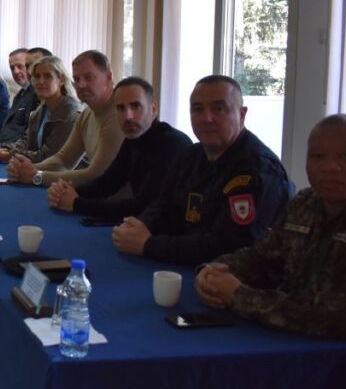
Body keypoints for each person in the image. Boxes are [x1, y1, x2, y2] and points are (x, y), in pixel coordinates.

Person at [195, 114, 346, 341]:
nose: (330, 167)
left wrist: (238, 295)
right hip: (287, 342)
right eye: (318, 156)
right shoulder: (304, 204)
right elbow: (260, 258)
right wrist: (213, 272)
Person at [112, 75, 290, 266]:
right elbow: (161, 206)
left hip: (228, 277)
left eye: (218, 108)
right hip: (179, 264)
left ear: (241, 114)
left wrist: (149, 244)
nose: (207, 118)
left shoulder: (258, 169)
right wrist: (139, 227)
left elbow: (229, 246)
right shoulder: (190, 156)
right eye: (198, 109)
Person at [47, 77, 192, 219]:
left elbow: (141, 206)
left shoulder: (171, 144)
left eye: (136, 106)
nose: (128, 116)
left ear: (153, 109)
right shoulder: (134, 137)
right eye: (120, 108)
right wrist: (68, 192)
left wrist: (76, 203)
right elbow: (108, 182)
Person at [7, 50, 124, 187]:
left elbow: (96, 175)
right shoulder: (87, 114)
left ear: (109, 77)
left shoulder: (120, 114)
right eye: (77, 79)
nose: (81, 85)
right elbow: (63, 159)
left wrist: (36, 175)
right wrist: (29, 169)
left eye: (89, 77)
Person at [0, 55, 82, 164]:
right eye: (37, 76)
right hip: (38, 168)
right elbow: (26, 140)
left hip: (61, 173)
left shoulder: (69, 112)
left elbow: (49, 156)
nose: (41, 81)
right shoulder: (42, 108)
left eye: (48, 76)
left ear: (61, 80)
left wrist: (6, 155)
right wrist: (4, 150)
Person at [0, 47, 49, 145]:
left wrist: (7, 150)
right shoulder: (20, 94)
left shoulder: (39, 96)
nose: (15, 71)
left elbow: (27, 136)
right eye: (12, 68)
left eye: (20, 66)